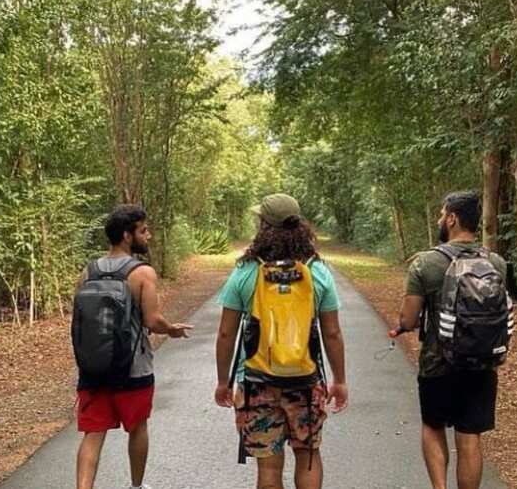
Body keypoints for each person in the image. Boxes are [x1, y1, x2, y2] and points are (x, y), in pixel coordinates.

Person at [214, 193, 349, 489]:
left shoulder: (246, 271)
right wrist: (339, 379)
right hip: (305, 380)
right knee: (308, 455)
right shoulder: (317, 271)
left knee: (269, 467)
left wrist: (223, 381)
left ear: (263, 224)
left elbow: (226, 333)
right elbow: (332, 333)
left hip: (256, 381)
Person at [388, 191, 509, 489]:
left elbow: (409, 318)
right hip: (482, 363)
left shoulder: (425, 264)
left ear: (453, 218)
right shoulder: (496, 262)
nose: (440, 219)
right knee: (469, 438)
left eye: (442, 214)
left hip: (437, 364)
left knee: (433, 427)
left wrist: (401, 326)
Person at [74, 205, 193, 489]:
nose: (148, 236)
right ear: (127, 235)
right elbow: (152, 320)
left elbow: (80, 317)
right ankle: (136, 486)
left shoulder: (87, 271)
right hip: (133, 367)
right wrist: (171, 329)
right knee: (137, 427)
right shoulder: (142, 273)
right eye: (143, 230)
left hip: (93, 365)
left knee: (93, 433)